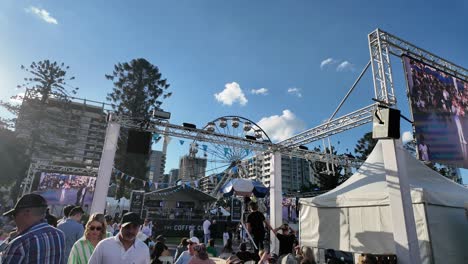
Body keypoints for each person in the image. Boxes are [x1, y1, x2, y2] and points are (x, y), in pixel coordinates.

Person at [1, 193, 65, 263]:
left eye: (14, 215)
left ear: (26, 213)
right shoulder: (59, 234)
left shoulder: (20, 243)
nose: (13, 219)